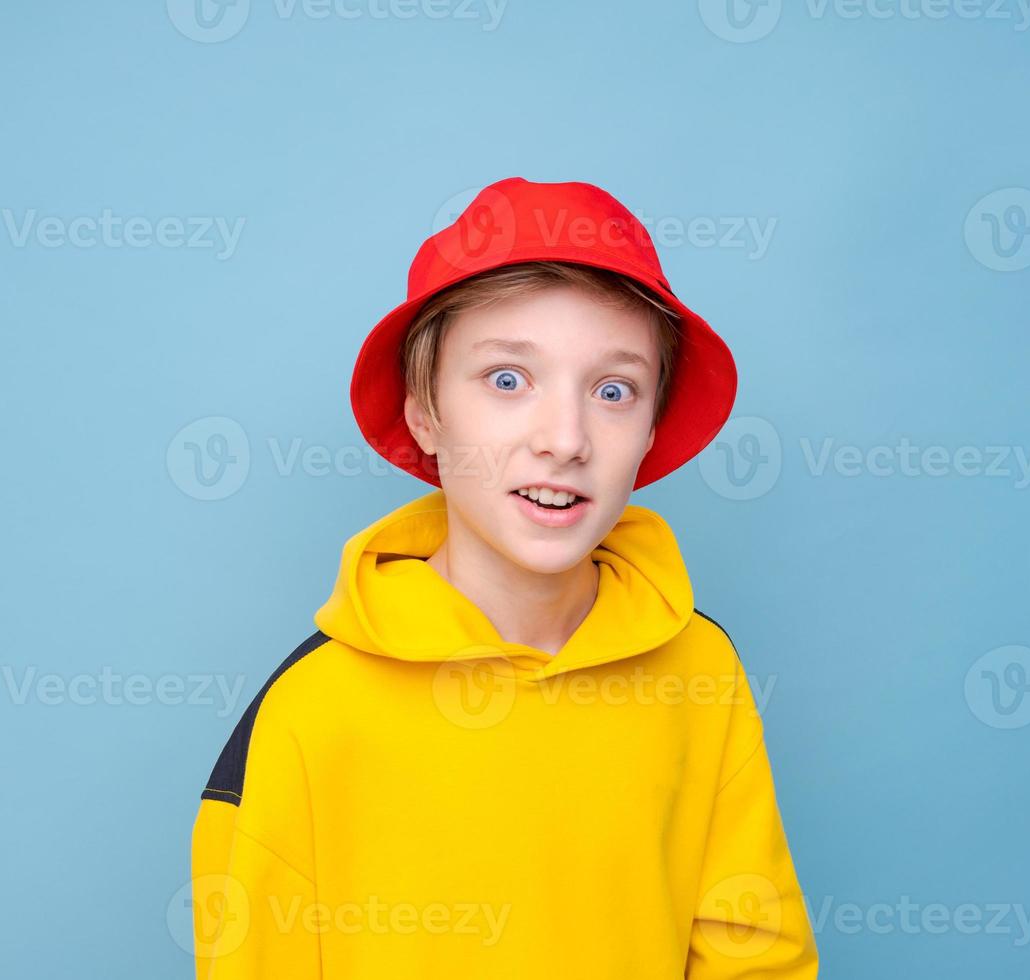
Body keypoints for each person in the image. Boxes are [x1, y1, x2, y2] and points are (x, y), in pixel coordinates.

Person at [189, 176, 819, 978]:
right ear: (425, 411)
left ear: (652, 426)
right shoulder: (309, 713)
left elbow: (754, 958)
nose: (564, 438)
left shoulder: (699, 672)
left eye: (613, 390)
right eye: (508, 380)